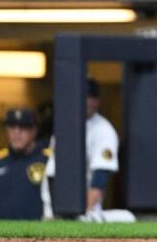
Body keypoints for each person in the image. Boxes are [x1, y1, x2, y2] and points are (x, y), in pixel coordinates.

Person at [42, 79, 128, 221]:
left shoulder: (103, 130)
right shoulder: (66, 125)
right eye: (79, 96)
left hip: (85, 211)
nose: (82, 101)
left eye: (88, 97)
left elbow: (100, 177)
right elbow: (52, 171)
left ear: (96, 101)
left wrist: (83, 212)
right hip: (53, 209)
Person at [0, 108, 49, 221]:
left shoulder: (49, 160)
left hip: (40, 236)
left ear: (34, 130)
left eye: (23, 127)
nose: (17, 132)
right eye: (12, 127)